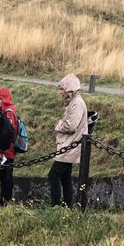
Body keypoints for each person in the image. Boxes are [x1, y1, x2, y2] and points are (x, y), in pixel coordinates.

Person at [48, 74, 88, 207]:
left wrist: (58, 125)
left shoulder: (76, 104)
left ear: (69, 89)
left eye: (62, 89)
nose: (60, 93)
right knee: (65, 178)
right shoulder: (73, 102)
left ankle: (55, 206)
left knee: (53, 175)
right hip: (69, 146)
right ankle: (67, 205)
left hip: (70, 147)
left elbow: (70, 126)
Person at [0, 87, 20, 204]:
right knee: (4, 175)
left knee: (6, 176)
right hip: (6, 149)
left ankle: (6, 201)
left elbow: (8, 132)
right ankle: (4, 200)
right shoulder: (6, 110)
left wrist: (1, 148)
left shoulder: (8, 112)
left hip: (7, 149)